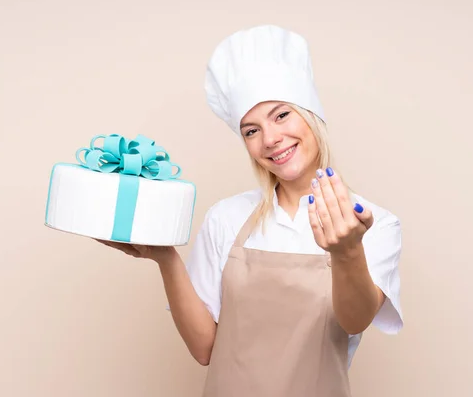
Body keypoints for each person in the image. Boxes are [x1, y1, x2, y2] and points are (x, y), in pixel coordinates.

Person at [98, 24, 403, 397]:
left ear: (311, 115)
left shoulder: (375, 223)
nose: (270, 139)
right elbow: (204, 349)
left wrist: (347, 251)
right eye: (251, 130)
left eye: (281, 116)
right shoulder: (226, 218)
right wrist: (167, 259)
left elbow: (355, 320)